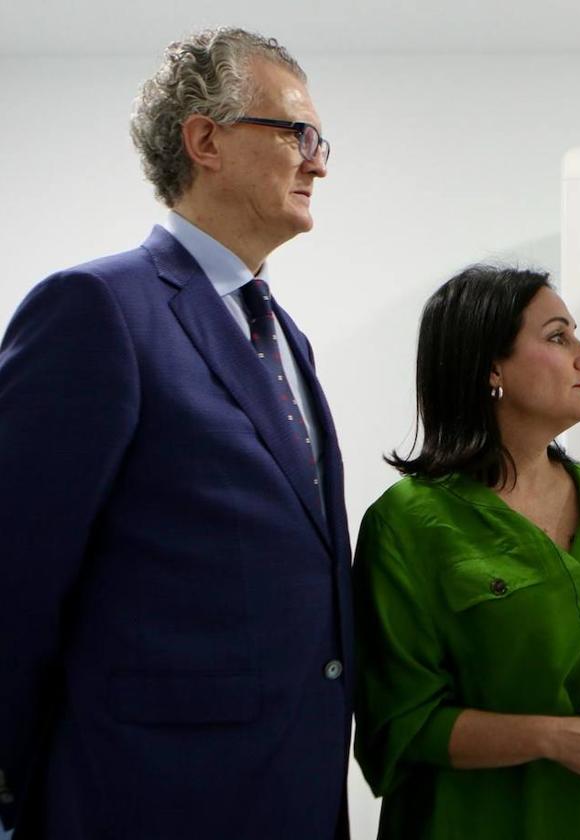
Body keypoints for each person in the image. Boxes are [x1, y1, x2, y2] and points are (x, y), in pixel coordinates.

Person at [0, 28, 352, 840]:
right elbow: (16, 573)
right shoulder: (96, 309)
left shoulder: (283, 335)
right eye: (297, 134)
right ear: (206, 140)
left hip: (291, 780)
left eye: (319, 140)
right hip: (147, 793)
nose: (319, 162)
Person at [353, 265, 580, 839]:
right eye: (558, 337)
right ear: (491, 368)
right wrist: (553, 738)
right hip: (477, 819)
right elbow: (402, 724)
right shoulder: (407, 522)